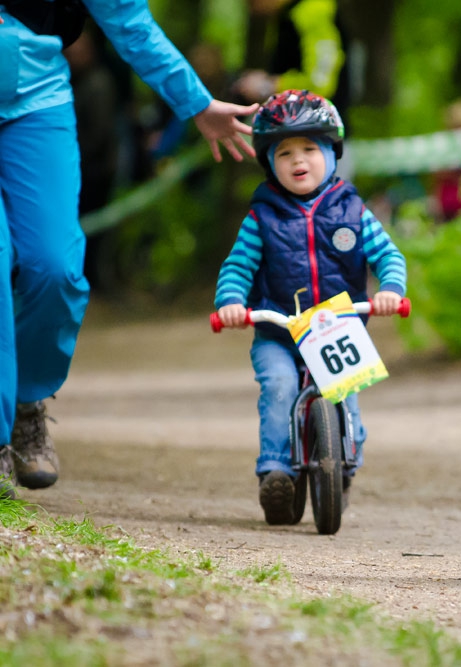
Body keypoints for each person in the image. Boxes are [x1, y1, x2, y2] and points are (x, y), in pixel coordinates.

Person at [0, 0, 259, 500]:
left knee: (55, 268)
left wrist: (197, 104)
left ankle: (28, 401)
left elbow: (130, 22)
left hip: (37, 99)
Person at [213, 90, 406, 525]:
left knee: (347, 395)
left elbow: (388, 257)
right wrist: (230, 302)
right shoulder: (262, 217)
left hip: (337, 329)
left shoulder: (354, 212)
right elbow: (238, 266)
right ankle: (276, 472)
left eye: (309, 149)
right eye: (284, 152)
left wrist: (390, 288)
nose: (298, 160)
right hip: (279, 331)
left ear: (332, 153)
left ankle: (345, 462)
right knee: (279, 385)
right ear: (269, 163)